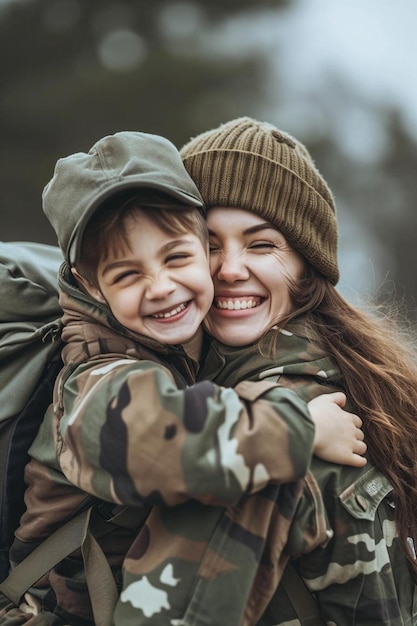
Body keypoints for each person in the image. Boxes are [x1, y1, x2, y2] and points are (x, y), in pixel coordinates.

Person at [0, 130, 363, 626]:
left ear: (201, 245)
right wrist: (301, 425)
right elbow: (164, 446)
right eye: (127, 274)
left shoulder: (182, 349)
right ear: (90, 286)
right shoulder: (98, 377)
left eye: (177, 258)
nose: (162, 287)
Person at [170, 116, 417, 625]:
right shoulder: (174, 388)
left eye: (262, 245)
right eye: (208, 244)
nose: (229, 268)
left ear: (307, 265)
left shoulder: (318, 429)